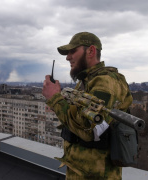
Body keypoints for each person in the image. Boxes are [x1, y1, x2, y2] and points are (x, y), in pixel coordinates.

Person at [42, 32, 133, 179]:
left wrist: (55, 99)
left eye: (73, 51)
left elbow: (89, 129)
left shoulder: (106, 82)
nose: (67, 57)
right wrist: (60, 103)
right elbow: (76, 118)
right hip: (80, 172)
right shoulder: (85, 83)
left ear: (91, 51)